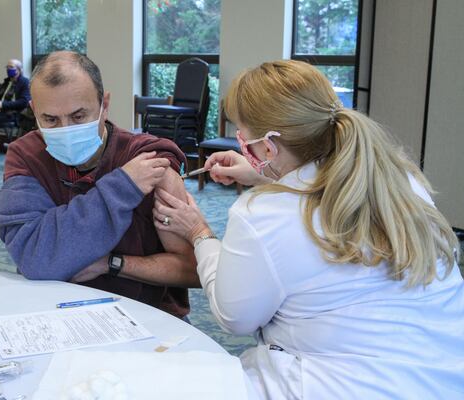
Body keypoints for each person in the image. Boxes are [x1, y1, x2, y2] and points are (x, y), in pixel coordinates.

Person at [153, 60, 464, 398]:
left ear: (269, 147)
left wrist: (200, 233)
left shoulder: (262, 214)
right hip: (443, 377)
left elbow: (234, 317)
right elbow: (317, 192)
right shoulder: (397, 180)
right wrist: (264, 173)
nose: (241, 144)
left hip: (341, 385)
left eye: (244, 137)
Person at [0, 51, 199, 319]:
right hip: (54, 310)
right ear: (34, 112)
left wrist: (112, 263)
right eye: (50, 120)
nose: (65, 129)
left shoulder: (149, 161)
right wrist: (123, 186)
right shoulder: (26, 155)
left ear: (104, 104)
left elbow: (192, 270)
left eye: (78, 117)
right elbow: (35, 257)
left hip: (144, 317)